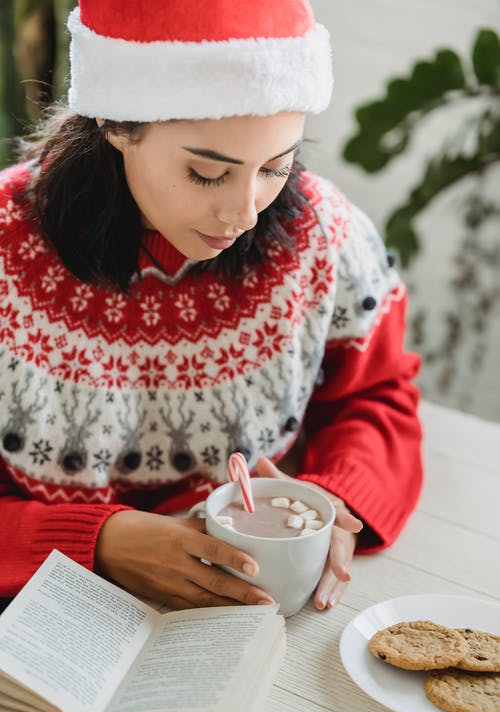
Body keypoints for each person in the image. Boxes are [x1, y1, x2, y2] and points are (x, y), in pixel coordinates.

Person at [0, 0, 422, 613]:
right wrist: (98, 542)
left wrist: (336, 503)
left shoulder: (322, 236)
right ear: (115, 124)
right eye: (206, 173)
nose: (246, 212)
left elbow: (377, 395)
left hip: (259, 608)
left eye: (277, 167)